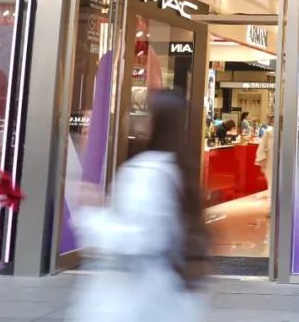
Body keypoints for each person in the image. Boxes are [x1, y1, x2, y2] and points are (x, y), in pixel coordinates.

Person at [71, 89, 209, 322]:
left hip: (136, 298)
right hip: (168, 295)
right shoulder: (180, 168)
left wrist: (91, 215)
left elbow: (140, 238)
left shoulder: (146, 172)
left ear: (154, 121)